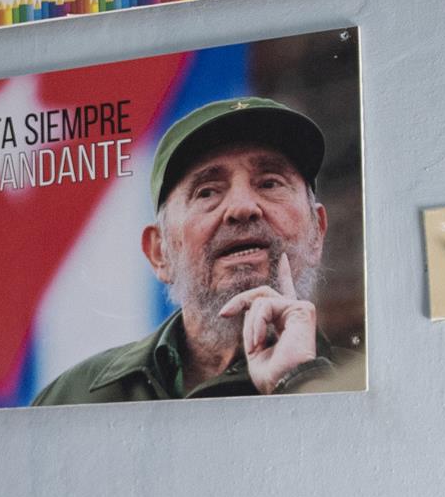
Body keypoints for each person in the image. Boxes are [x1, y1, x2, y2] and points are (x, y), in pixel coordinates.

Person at [33, 98, 362, 405]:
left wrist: (300, 382)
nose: (242, 207)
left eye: (270, 183)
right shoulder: (71, 397)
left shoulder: (369, 385)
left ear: (318, 232)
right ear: (159, 252)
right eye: (207, 192)